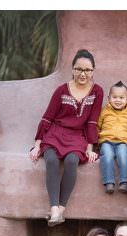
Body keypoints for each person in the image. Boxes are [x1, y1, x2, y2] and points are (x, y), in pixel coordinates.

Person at [29, 49, 103, 226]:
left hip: (78, 137)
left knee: (71, 161)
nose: (83, 74)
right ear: (72, 69)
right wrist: (37, 145)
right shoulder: (61, 90)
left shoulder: (97, 91)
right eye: (79, 69)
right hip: (55, 134)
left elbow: (92, 122)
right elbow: (47, 117)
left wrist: (90, 148)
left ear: (93, 71)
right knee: (52, 160)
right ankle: (54, 209)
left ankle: (61, 209)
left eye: (87, 70)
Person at [97, 81, 127, 194]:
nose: (118, 100)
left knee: (122, 154)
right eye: (114, 97)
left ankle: (125, 182)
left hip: (123, 142)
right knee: (107, 154)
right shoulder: (104, 111)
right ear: (109, 98)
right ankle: (109, 182)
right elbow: (98, 127)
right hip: (106, 140)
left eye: (121, 97)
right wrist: (96, 144)